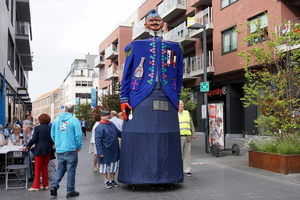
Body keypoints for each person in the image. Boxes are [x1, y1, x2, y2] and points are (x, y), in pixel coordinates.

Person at [118, 9, 184, 185]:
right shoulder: (136, 46)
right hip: (139, 96)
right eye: (151, 20)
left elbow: (179, 74)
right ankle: (137, 177)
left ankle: (168, 177)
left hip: (167, 95)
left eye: (158, 19)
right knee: (138, 138)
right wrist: (124, 99)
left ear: (162, 23)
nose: (155, 22)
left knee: (167, 139)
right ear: (146, 24)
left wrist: (176, 97)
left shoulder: (175, 47)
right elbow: (127, 74)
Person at [50, 105, 83, 198]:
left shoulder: (56, 120)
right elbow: (79, 135)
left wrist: (57, 143)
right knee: (71, 171)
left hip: (60, 149)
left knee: (60, 168)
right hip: (71, 149)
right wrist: (79, 145)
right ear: (73, 111)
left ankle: (54, 185)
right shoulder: (74, 120)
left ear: (65, 110)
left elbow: (52, 134)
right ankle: (70, 190)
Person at [26, 114, 54, 191]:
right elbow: (53, 139)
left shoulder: (37, 128)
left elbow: (34, 139)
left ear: (40, 120)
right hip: (48, 150)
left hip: (39, 150)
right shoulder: (50, 128)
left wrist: (28, 146)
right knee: (45, 168)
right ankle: (45, 185)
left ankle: (36, 186)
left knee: (37, 169)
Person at [95, 110, 121, 189]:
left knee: (114, 166)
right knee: (104, 166)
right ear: (101, 117)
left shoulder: (112, 124)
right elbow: (98, 140)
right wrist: (100, 151)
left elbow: (118, 133)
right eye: (105, 115)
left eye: (108, 115)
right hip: (105, 149)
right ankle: (106, 181)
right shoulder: (99, 127)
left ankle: (112, 180)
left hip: (114, 149)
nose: (107, 116)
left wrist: (127, 133)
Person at [178, 100, 196, 177]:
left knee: (187, 154)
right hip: (179, 136)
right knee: (179, 154)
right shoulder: (174, 114)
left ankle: (187, 170)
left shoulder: (187, 113)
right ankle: (178, 170)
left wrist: (193, 133)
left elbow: (191, 124)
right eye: (181, 104)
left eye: (183, 104)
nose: (182, 105)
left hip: (188, 136)